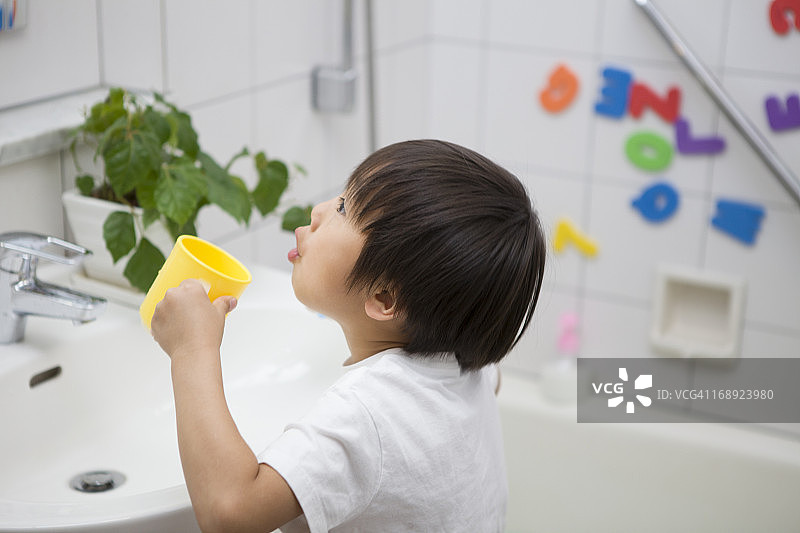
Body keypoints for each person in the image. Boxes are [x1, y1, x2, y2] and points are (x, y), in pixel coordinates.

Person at [151, 139, 547, 532]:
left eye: (343, 209)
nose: (319, 211)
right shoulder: (467, 364)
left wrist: (192, 349)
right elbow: (487, 386)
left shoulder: (366, 414)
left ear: (384, 297)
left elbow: (230, 513)